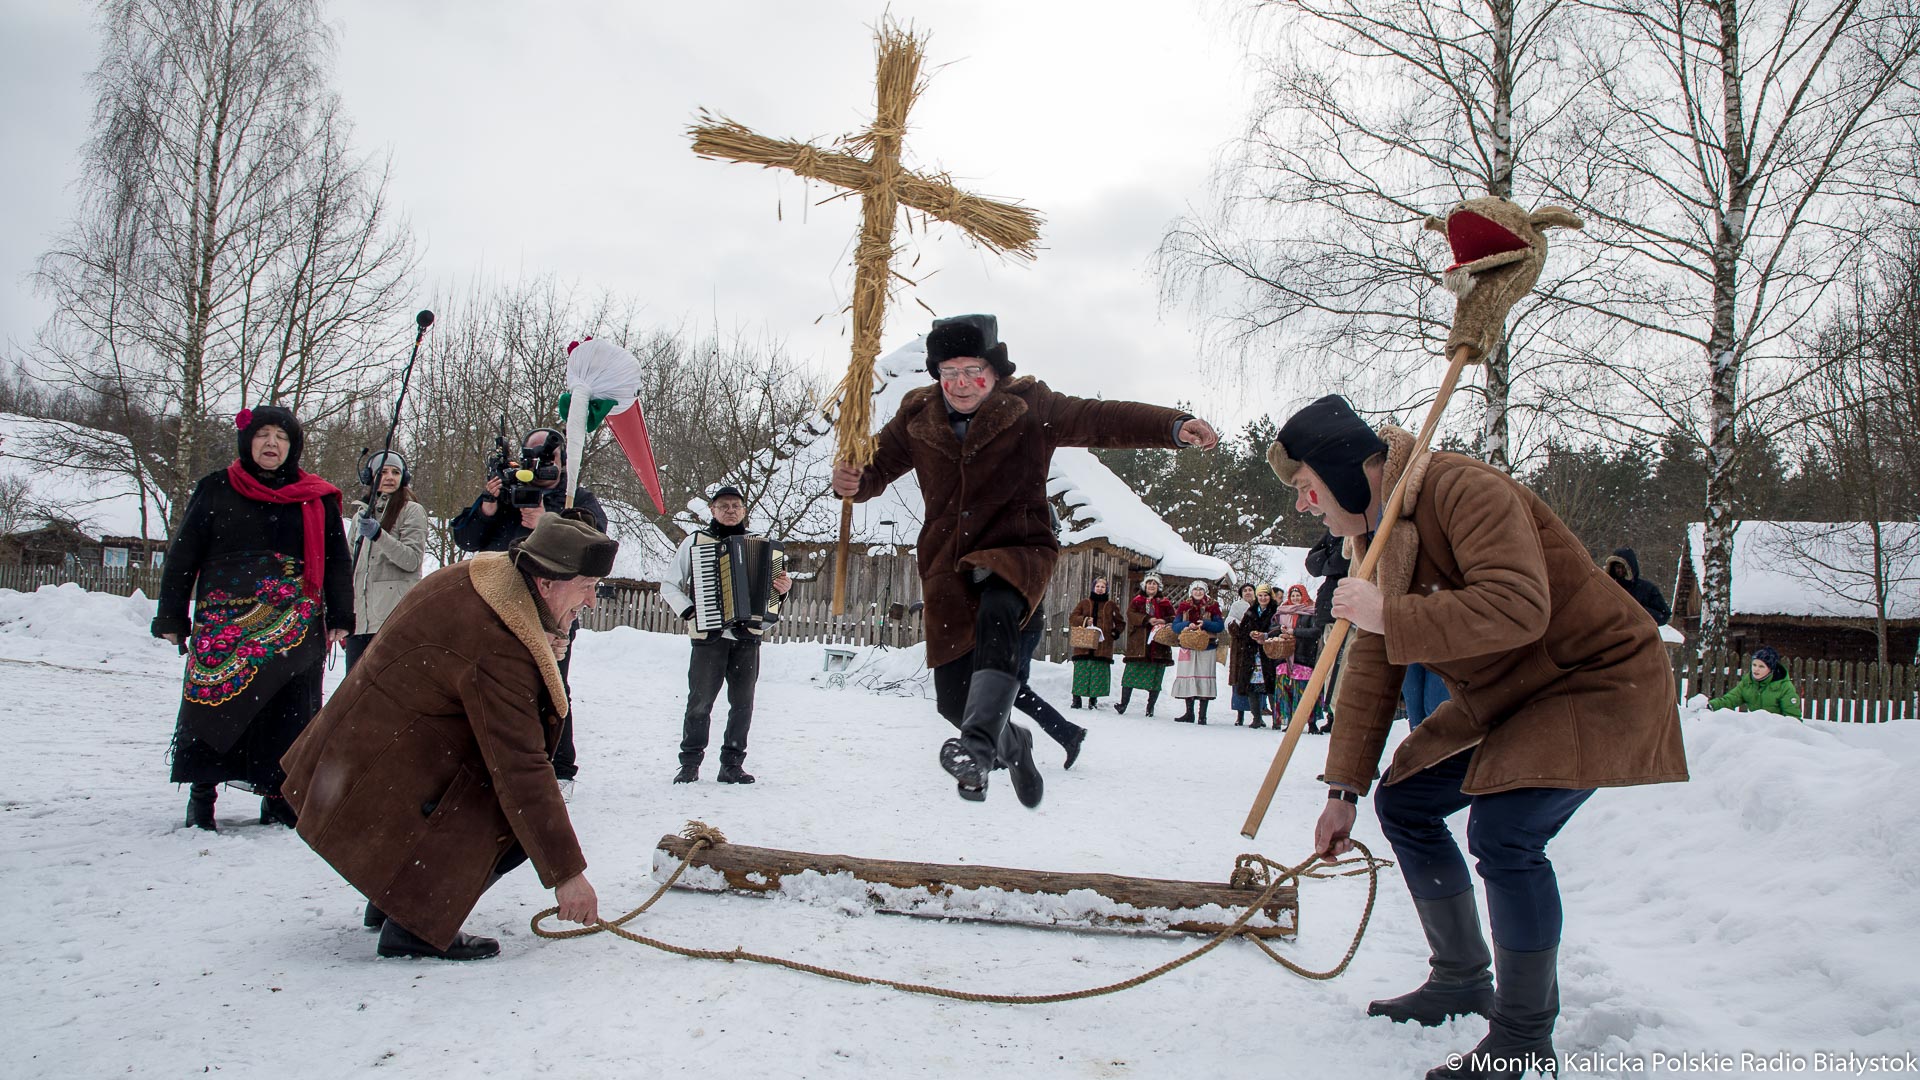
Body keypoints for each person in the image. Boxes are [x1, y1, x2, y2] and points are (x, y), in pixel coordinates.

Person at [1271, 395, 1687, 1080]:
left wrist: (1390, 612)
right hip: (1511, 695)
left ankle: (1523, 1036)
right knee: (1405, 801)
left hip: (1594, 680)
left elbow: (1519, 607)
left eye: (1306, 486)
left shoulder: (1464, 489)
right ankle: (1462, 978)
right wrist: (1343, 790)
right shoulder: (1376, 541)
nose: (1303, 505)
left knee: (1505, 834)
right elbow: (1373, 664)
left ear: (1344, 471)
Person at [831, 313, 1215, 807]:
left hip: (1017, 548)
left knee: (998, 610)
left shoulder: (1030, 405)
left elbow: (1101, 419)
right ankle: (1014, 745)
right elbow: (875, 468)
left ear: (994, 370)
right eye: (949, 373)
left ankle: (976, 749)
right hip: (947, 563)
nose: (961, 384)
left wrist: (1172, 425)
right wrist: (854, 482)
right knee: (953, 701)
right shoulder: (917, 415)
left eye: (973, 371)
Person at [280, 513, 615, 961]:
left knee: (494, 787)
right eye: (586, 585)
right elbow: (521, 765)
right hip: (379, 768)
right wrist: (567, 874)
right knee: (510, 813)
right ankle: (415, 921)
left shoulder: (484, 579)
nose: (591, 599)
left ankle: (393, 895)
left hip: (359, 758)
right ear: (545, 582)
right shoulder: (497, 642)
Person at [151, 406, 353, 831]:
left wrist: (341, 614)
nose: (272, 443)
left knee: (288, 714)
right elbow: (183, 556)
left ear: (293, 446)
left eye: (281, 436)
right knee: (215, 708)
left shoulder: (315, 498)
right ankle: (202, 796)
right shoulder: (216, 488)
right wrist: (171, 615)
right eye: (263, 434)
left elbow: (336, 561)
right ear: (247, 441)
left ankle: (278, 798)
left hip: (295, 625)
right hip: (224, 625)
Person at [449, 427, 607, 783]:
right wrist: (487, 507)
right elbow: (467, 539)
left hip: (553, 608)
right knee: (496, 682)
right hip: (501, 601)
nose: (541, 466)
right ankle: (495, 757)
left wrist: (545, 522)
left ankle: (558, 765)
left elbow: (595, 540)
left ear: (563, 461)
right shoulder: (509, 491)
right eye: (534, 458)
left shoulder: (576, 497)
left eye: (550, 459)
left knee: (551, 684)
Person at [658, 485, 792, 784]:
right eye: (723, 506)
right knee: (700, 704)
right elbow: (669, 585)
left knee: (743, 705)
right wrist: (691, 612)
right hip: (709, 637)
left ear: (744, 510)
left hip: (747, 637)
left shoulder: (763, 545)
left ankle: (731, 765)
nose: (730, 511)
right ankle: (690, 763)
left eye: (735, 506)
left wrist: (782, 591)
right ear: (712, 510)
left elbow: (771, 594)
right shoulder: (696, 541)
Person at [343, 450, 429, 673]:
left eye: (395, 472)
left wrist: (379, 535)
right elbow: (349, 566)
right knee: (355, 689)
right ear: (369, 477)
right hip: (359, 623)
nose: (390, 477)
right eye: (382, 472)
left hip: (393, 621)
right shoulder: (360, 517)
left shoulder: (412, 511)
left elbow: (411, 561)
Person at [1013, 604, 1088, 767]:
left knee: (1011, 688)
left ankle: (1004, 746)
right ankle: (1067, 734)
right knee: (1010, 690)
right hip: (1019, 624)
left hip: (1023, 625)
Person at [1293, 530, 1348, 734]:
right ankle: (1332, 714)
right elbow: (1312, 564)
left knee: (1342, 670)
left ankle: (1340, 716)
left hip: (1344, 609)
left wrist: (1328, 559)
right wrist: (1328, 557)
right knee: (1329, 670)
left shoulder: (1353, 531)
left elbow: (1342, 562)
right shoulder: (1333, 532)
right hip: (1328, 612)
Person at [1117, 574, 1177, 716]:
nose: (1151, 586)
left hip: (1158, 644)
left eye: (1154, 584)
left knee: (1155, 677)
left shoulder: (1165, 602)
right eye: (1149, 583)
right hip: (1139, 643)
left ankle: (1150, 707)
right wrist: (1147, 619)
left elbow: (1173, 617)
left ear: (1158, 587)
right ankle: (1123, 704)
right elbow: (1130, 614)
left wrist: (1163, 620)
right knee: (1130, 674)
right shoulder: (1137, 601)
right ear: (1145, 585)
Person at [1170, 581, 1225, 724]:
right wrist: (1187, 624)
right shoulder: (1184, 607)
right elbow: (1175, 626)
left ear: (1205, 592)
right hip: (1187, 646)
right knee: (1189, 676)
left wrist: (1205, 624)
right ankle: (1189, 712)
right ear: (1191, 591)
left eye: (1201, 589)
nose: (1198, 592)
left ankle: (1202, 715)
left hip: (1207, 646)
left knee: (1203, 677)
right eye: (1195, 589)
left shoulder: (1213, 606)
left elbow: (1220, 626)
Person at [1068, 577, 1122, 710]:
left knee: (1097, 673)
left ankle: (1093, 700)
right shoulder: (1084, 603)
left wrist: (1115, 632)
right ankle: (1076, 699)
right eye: (1097, 586)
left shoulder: (1111, 605)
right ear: (1093, 588)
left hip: (1103, 645)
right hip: (1083, 644)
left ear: (1106, 589)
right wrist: (1085, 620)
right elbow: (1072, 618)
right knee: (1081, 672)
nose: (1100, 589)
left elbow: (1120, 622)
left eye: (1103, 587)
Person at [1229, 583, 1279, 728]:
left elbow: (1278, 628)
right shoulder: (1251, 611)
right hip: (1252, 653)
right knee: (1252, 685)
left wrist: (1266, 635)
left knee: (1271, 686)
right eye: (1260, 596)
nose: (1263, 598)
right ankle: (1256, 718)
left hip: (1269, 652)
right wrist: (1250, 634)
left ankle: (1276, 719)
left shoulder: (1275, 611)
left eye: (1266, 595)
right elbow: (1242, 630)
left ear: (1270, 597)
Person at [1706, 646, 1801, 718]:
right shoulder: (1748, 683)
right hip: (1755, 728)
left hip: (1775, 731)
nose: (1756, 669)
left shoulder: (1784, 686)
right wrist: (1711, 705)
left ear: (1770, 669)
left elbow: (1792, 717)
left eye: (1761, 666)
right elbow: (1730, 699)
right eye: (1754, 665)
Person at [1602, 547, 1671, 626]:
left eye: (1623, 567)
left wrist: (1639, 612)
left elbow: (1664, 615)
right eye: (1617, 567)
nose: (1620, 570)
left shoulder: (1647, 589)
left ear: (1630, 568)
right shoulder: (1607, 587)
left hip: (1639, 632)